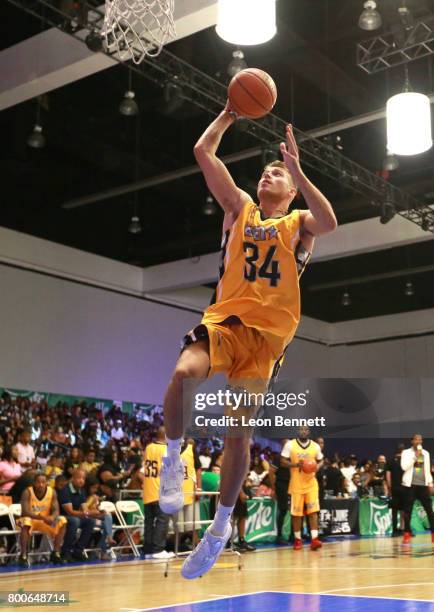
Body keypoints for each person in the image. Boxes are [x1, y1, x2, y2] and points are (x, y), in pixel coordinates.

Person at [159, 103, 337, 579]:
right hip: (225, 320)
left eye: (278, 172)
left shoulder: (299, 224)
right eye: (266, 170)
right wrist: (229, 113)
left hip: (266, 343)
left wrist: (299, 168)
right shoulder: (238, 207)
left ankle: (218, 530)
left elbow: (331, 221)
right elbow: (202, 150)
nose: (269, 174)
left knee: (236, 433)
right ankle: (174, 459)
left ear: (292, 188)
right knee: (181, 374)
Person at [281, 426, 324, 551]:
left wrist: (316, 467)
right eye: (301, 430)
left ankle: (315, 539)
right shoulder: (290, 445)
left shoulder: (315, 446)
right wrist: (295, 464)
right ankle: (298, 540)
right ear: (297, 431)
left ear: (309, 432)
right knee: (296, 514)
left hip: (311, 484)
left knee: (313, 512)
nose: (303, 432)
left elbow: (321, 460)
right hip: (296, 484)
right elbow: (282, 461)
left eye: (305, 430)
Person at [17, 473, 67, 567]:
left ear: (47, 483)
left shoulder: (52, 492)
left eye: (43, 482)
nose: (41, 484)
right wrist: (43, 518)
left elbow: (56, 509)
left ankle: (55, 552)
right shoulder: (27, 492)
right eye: (38, 482)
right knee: (26, 521)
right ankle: (23, 555)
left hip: (44, 521)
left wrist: (52, 517)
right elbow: (25, 512)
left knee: (62, 520)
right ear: (34, 483)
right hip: (29, 520)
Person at [143, 427, 174, 560]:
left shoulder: (148, 447)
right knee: (162, 521)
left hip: (148, 490)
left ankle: (149, 550)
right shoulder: (167, 450)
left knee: (149, 522)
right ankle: (158, 549)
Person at [401, 434, 434, 544]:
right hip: (410, 485)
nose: (418, 441)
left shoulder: (426, 453)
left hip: (423, 485)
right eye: (416, 439)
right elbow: (404, 467)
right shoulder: (406, 453)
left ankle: (433, 534)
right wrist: (415, 456)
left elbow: (427, 470)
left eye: (420, 439)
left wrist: (430, 483)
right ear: (412, 441)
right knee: (408, 511)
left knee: (429, 510)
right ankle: (406, 534)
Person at [57, 468, 97, 561]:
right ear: (72, 478)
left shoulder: (81, 490)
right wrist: (85, 513)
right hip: (62, 516)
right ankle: (65, 551)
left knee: (90, 521)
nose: (81, 480)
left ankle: (78, 550)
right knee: (75, 521)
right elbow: (70, 512)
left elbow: (84, 508)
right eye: (79, 478)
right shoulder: (65, 490)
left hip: (75, 516)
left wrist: (92, 513)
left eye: (83, 478)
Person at [270, 440, 290, 544]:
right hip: (281, 485)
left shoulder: (293, 457)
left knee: (295, 511)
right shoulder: (278, 457)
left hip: (293, 486)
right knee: (283, 510)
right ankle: (279, 536)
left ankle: (293, 535)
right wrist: (273, 489)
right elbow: (271, 472)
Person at [386, 444, 405, 536]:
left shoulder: (390, 461)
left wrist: (389, 487)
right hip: (404, 488)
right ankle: (403, 529)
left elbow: (388, 475)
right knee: (404, 510)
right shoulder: (405, 461)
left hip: (395, 488)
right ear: (403, 451)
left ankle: (394, 531)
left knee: (394, 510)